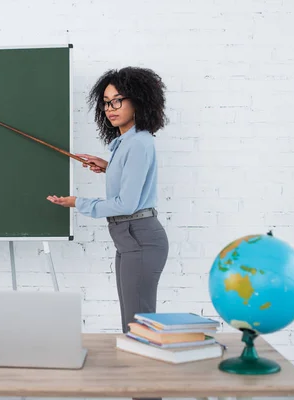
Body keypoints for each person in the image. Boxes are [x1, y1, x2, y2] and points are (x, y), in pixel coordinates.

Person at [47, 66, 170, 335]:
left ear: (138, 100)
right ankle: (137, 375)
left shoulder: (137, 143)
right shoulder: (127, 142)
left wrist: (78, 203)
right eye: (105, 103)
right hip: (129, 238)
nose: (110, 108)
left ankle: (142, 376)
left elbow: (126, 204)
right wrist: (108, 166)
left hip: (139, 236)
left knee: (138, 326)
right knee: (133, 323)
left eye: (117, 100)